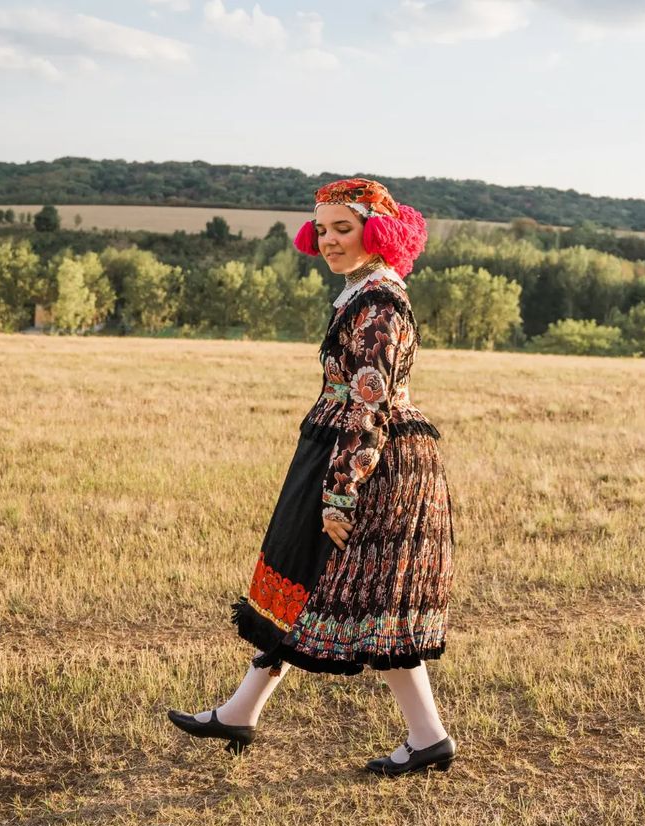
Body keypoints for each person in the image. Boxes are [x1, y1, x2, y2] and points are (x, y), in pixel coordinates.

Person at [167, 178, 456, 777]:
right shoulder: (362, 295)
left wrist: (340, 494)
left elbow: (366, 406)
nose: (328, 241)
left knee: (357, 597)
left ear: (377, 232)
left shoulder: (379, 306)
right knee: (308, 589)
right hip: (341, 453)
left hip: (368, 463)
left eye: (342, 229)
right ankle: (243, 711)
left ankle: (427, 736)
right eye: (321, 229)